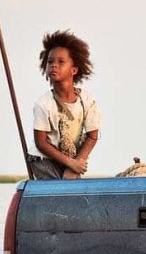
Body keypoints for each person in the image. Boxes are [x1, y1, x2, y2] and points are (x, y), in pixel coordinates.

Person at [28, 30, 101, 180]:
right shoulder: (43, 104)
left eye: (61, 62)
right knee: (59, 191)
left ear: (74, 70)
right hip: (44, 159)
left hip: (71, 158)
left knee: (73, 189)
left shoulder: (87, 100)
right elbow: (41, 143)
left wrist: (77, 163)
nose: (54, 65)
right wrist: (70, 163)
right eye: (50, 62)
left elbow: (92, 136)